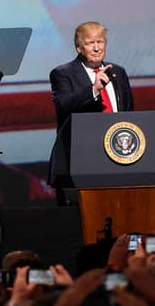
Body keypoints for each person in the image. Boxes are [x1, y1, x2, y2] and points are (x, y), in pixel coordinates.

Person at [48, 21, 134, 199]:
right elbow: (63, 105)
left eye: (100, 42)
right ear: (79, 48)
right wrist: (94, 90)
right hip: (80, 160)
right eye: (90, 43)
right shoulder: (63, 73)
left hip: (118, 157)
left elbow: (128, 113)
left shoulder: (118, 72)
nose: (96, 48)